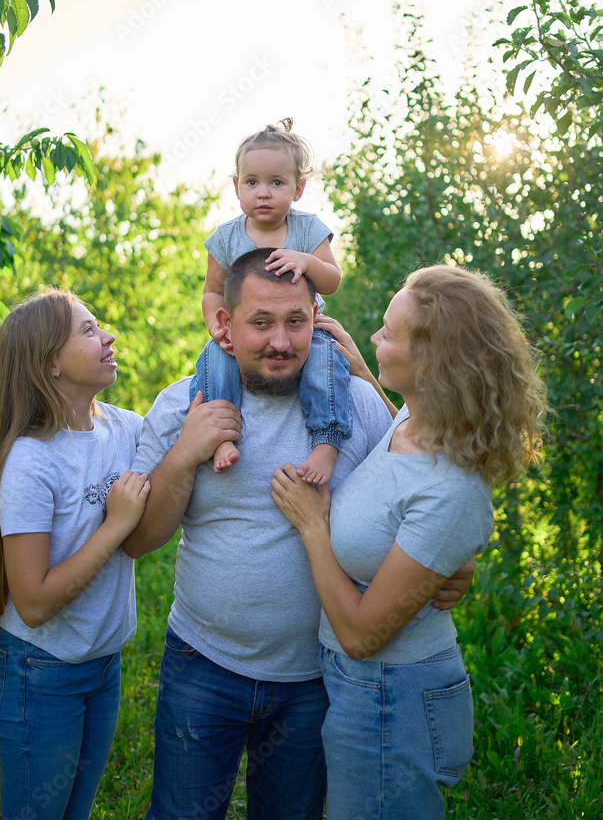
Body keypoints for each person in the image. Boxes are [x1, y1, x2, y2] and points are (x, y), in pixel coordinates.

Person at [123, 249, 473, 820]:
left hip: (316, 675)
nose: (280, 342)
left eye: (295, 322)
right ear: (225, 326)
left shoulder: (357, 404)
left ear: (316, 316)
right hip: (202, 662)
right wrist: (185, 454)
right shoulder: (182, 405)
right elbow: (141, 543)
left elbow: (419, 493)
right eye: (260, 323)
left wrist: (455, 563)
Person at [270, 265, 547, 820]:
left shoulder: (449, 487)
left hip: (391, 697)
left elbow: (361, 634)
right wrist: (357, 366)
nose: (373, 338)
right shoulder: (414, 421)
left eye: (387, 334)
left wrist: (312, 526)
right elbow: (395, 478)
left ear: (432, 364)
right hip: (365, 691)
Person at [0, 289, 151, 820]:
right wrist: (114, 527)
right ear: (50, 363)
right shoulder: (31, 460)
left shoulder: (126, 429)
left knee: (76, 811)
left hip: (102, 663)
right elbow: (34, 603)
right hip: (39, 670)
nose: (108, 336)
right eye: (88, 331)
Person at [192, 117, 353, 484]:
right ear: (236, 187)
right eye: (252, 182)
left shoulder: (307, 228)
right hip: (243, 336)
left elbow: (332, 281)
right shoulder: (225, 237)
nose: (263, 193)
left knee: (326, 361)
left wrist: (307, 261)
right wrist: (217, 328)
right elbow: (213, 291)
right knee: (212, 363)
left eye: (276, 183)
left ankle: (327, 440)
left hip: (302, 333)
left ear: (298, 189)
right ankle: (221, 437)